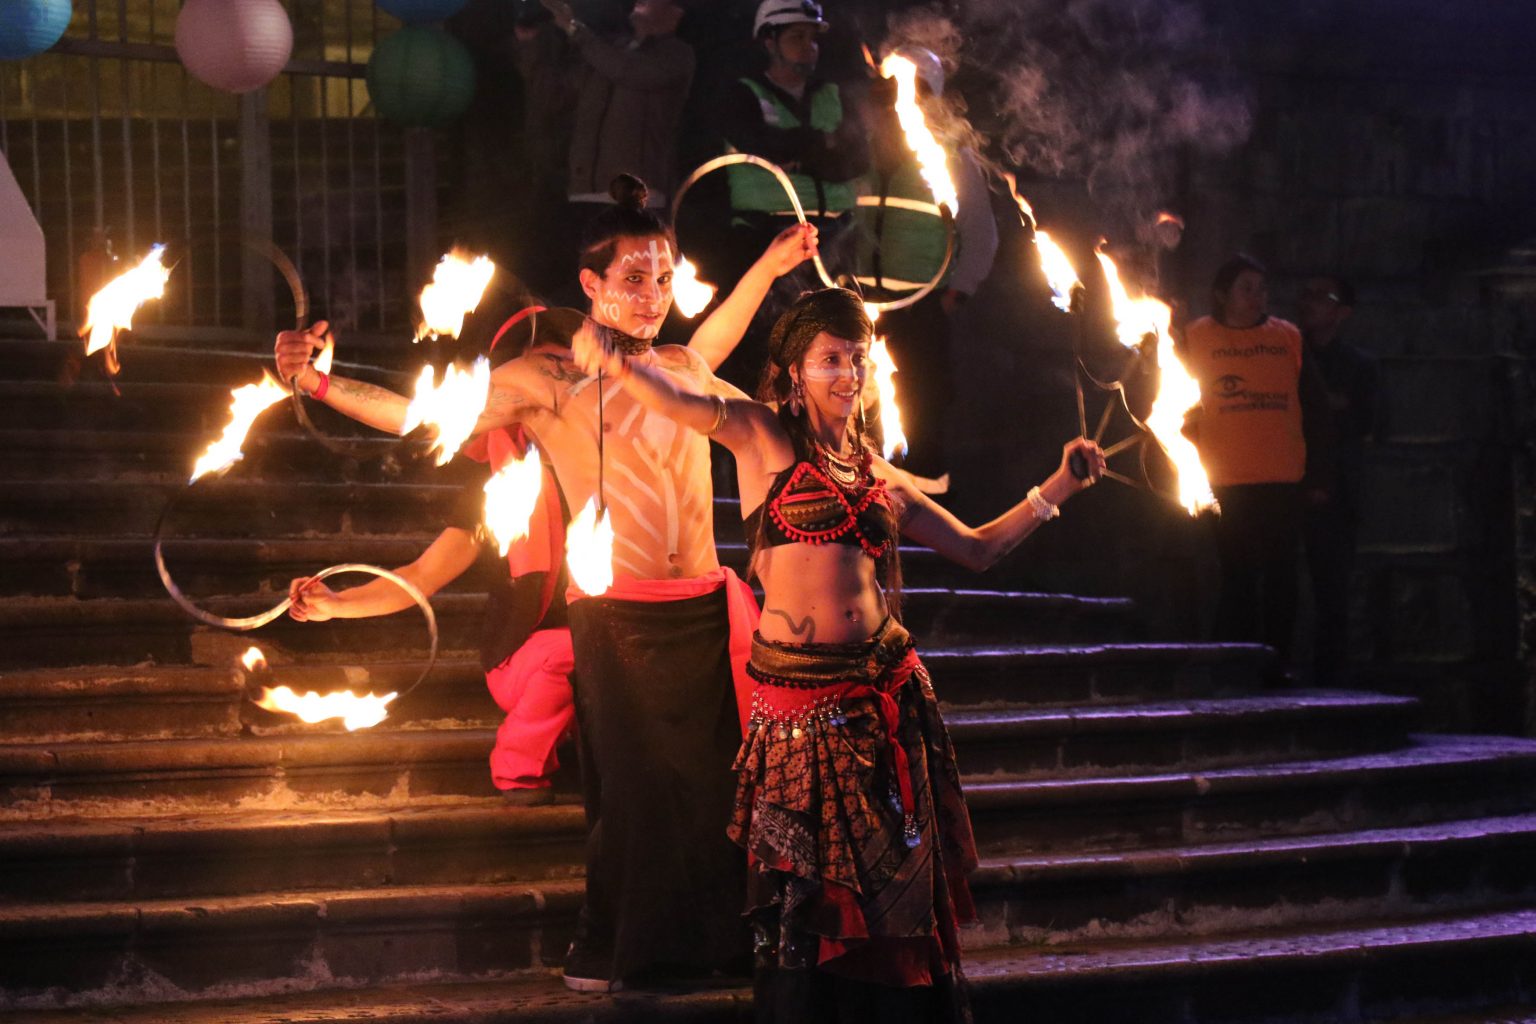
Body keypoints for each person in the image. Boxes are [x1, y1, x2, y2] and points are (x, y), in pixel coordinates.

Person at [275, 174, 818, 992]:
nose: (653, 296)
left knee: (717, 793)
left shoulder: (680, 365)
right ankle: (607, 947)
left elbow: (721, 338)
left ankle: (722, 945)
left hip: (706, 609)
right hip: (619, 617)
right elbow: (422, 415)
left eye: (664, 279)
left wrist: (773, 267)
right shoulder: (549, 380)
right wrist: (317, 381)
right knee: (632, 801)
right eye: (634, 279)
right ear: (592, 287)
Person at [574, 286, 1104, 1021]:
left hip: (885, 696)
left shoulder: (880, 476)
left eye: (857, 357)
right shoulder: (764, 439)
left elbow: (980, 549)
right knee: (802, 911)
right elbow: (687, 404)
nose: (848, 372)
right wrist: (626, 368)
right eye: (830, 358)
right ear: (794, 371)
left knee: (893, 906)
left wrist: (1061, 485)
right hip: (798, 710)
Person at [1179, 255, 1333, 675]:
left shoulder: (1287, 338)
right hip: (1225, 479)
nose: (1257, 296)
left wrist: (1319, 474)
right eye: (1246, 287)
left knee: (1283, 574)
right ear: (1221, 295)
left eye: (1261, 288)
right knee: (1238, 573)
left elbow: (1316, 408)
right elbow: (1176, 404)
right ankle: (1235, 661)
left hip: (1283, 477)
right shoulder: (1197, 338)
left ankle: (1277, 661)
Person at [853, 44, 997, 480]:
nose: (901, 97)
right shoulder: (863, 146)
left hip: (922, 305)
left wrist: (956, 293)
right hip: (861, 303)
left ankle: (925, 523)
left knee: (923, 410)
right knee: (861, 414)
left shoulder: (952, 157)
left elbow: (981, 234)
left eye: (914, 88)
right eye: (892, 88)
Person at [708, 0, 870, 388]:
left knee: (840, 347)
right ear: (769, 41)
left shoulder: (833, 94)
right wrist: (822, 147)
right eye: (797, 37)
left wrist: (799, 152)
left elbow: (857, 158)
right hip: (766, 238)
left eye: (812, 38)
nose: (808, 46)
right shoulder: (742, 94)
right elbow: (760, 142)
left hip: (834, 239)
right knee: (767, 352)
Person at [1296, 274, 1376, 685]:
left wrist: (1332, 408)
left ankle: (1331, 678)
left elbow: (1369, 421)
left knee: (1332, 589)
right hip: (1287, 483)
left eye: (1321, 297)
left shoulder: (1358, 366)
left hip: (1337, 490)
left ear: (1342, 313)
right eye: (1307, 294)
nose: (1309, 303)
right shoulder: (1287, 355)